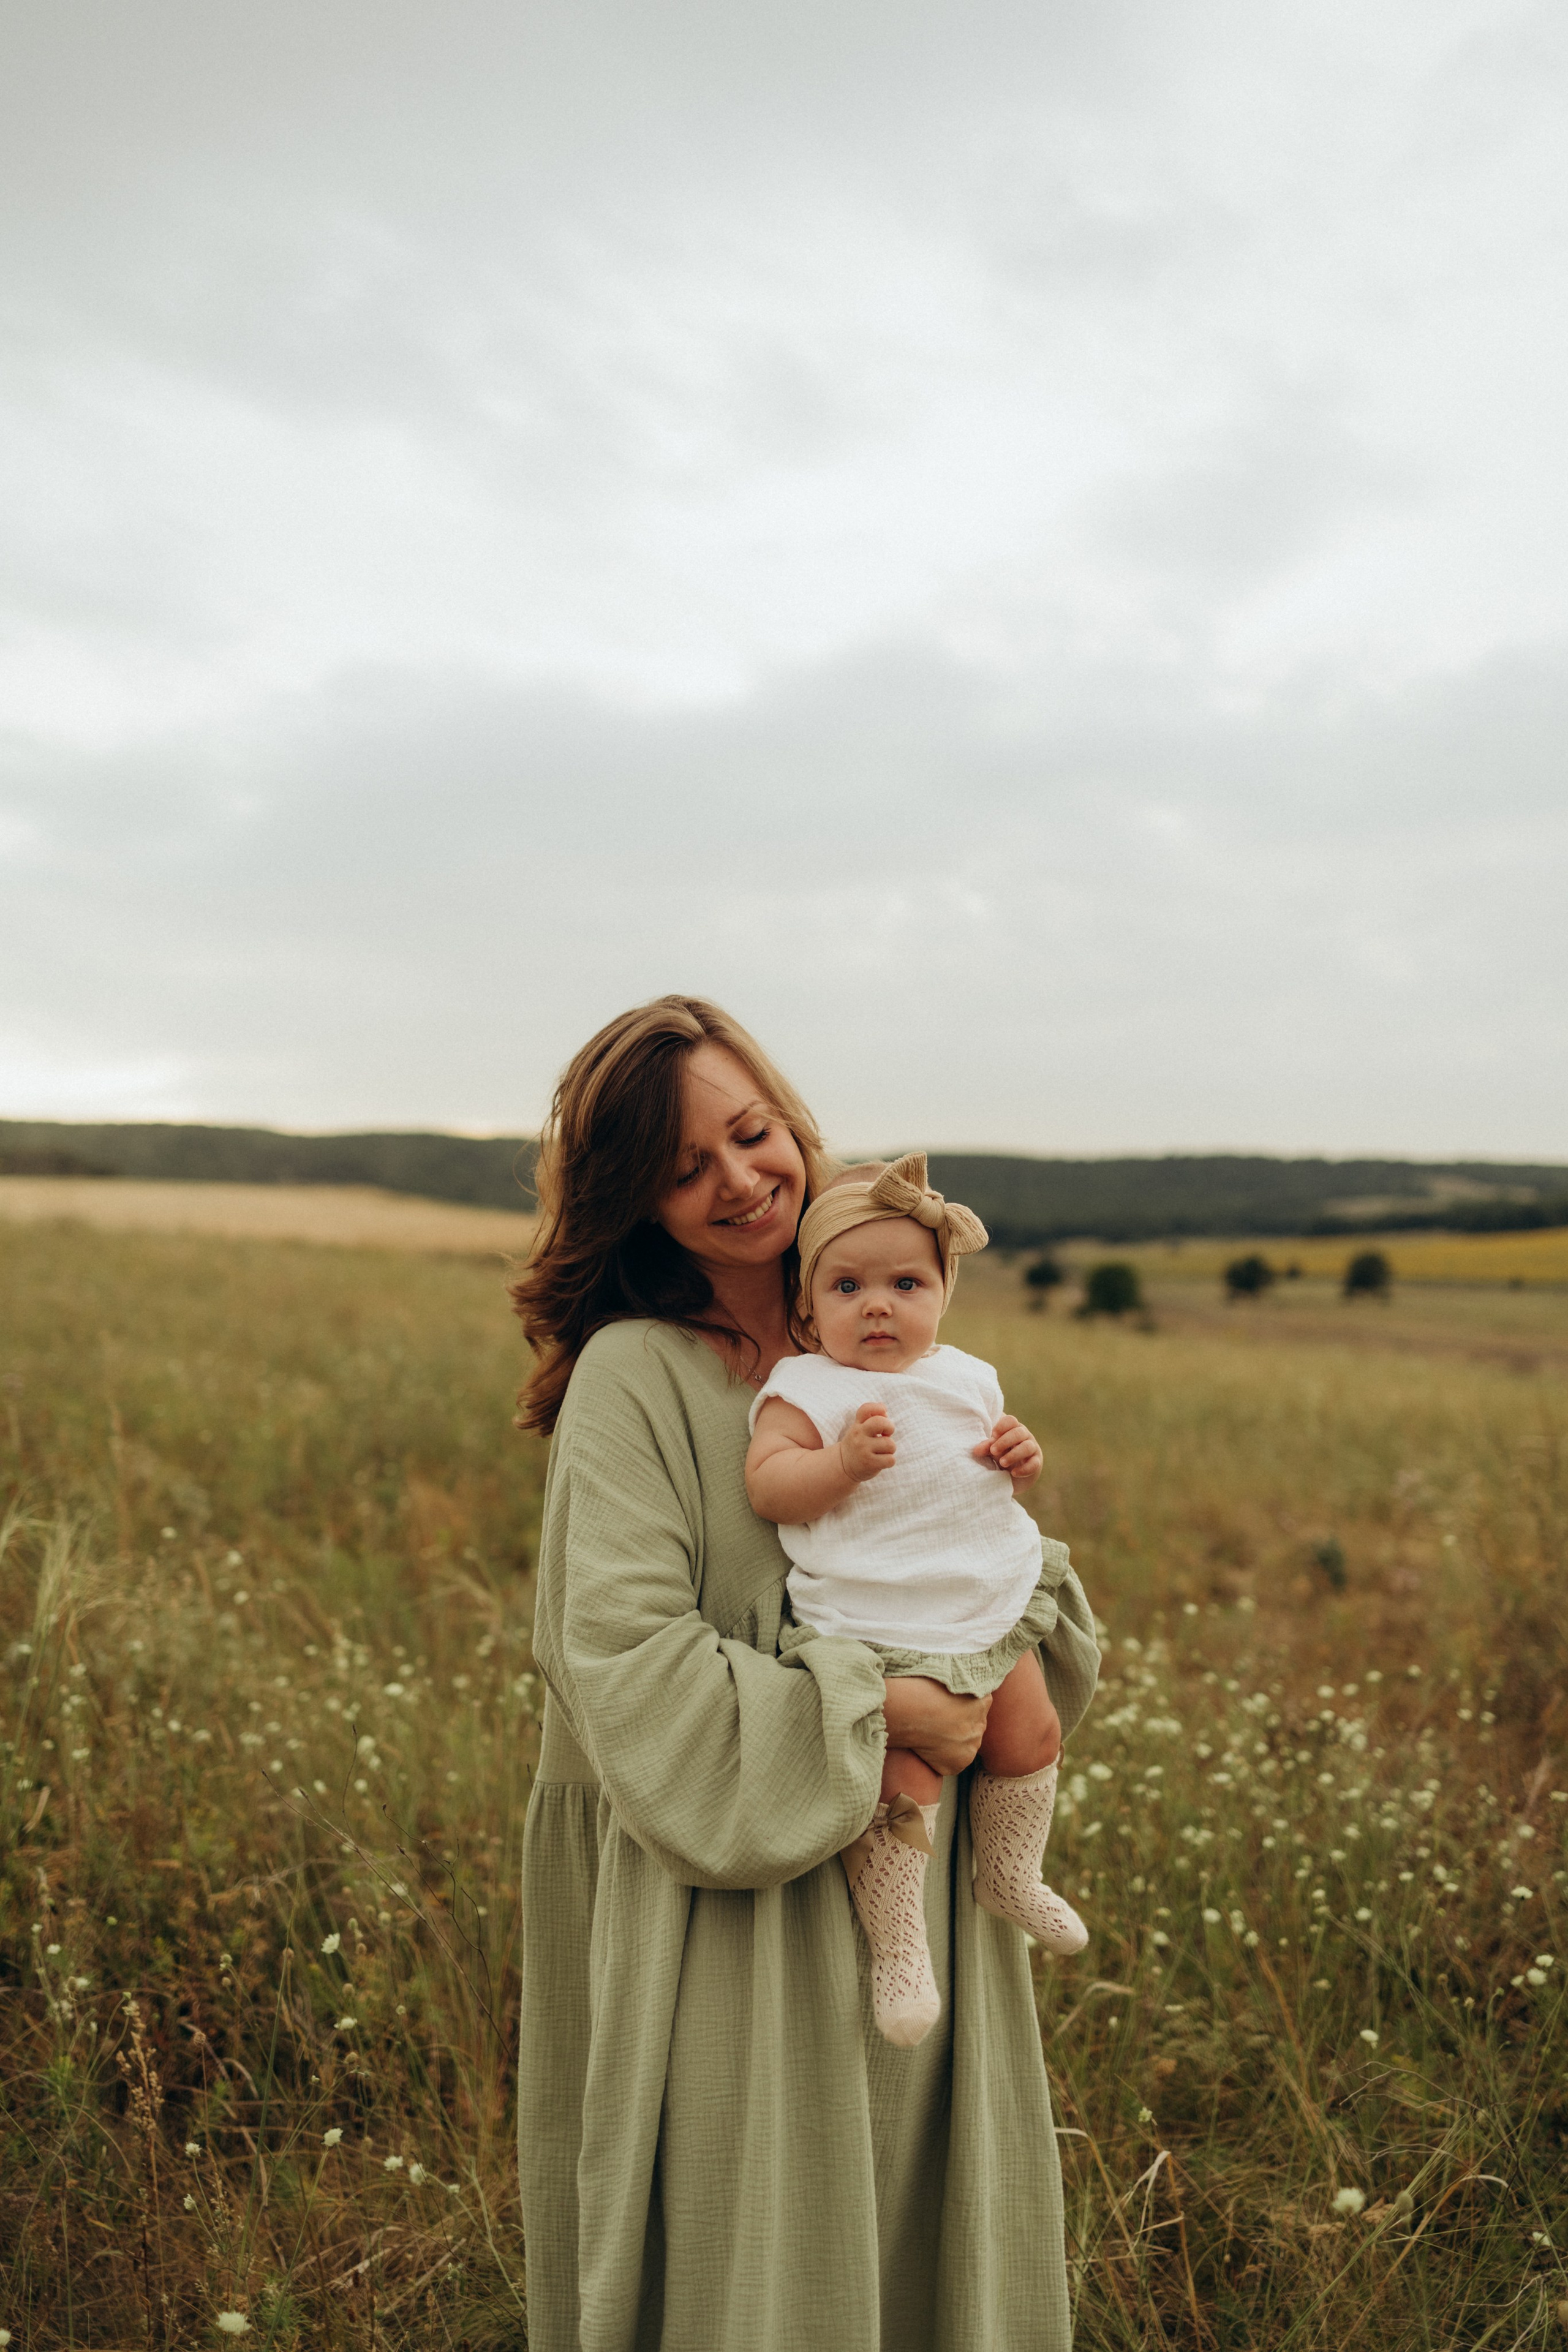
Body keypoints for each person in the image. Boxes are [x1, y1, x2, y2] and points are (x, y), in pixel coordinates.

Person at [511, 996, 1100, 2352]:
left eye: (751, 1132)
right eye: (681, 1168)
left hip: (918, 1857)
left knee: (912, 2244)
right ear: (635, 1204)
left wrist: (991, 1628)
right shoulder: (634, 1375)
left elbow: (988, 1562)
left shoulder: (883, 1325)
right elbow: (618, 1654)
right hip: (719, 1878)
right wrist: (888, 1709)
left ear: (791, 1122)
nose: (737, 1182)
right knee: (753, 2263)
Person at [744, 1153, 1088, 2052]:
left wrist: (1021, 1455)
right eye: (848, 1285)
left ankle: (1010, 1872)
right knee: (904, 1787)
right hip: (882, 1624)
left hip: (980, 1597)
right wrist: (839, 1465)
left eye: (906, 1283)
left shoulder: (966, 1376)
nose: (877, 1305)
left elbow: (990, 1463)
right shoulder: (807, 1386)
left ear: (943, 1295)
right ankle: (898, 1946)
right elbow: (771, 1485)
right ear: (808, 1306)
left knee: (1035, 1736)